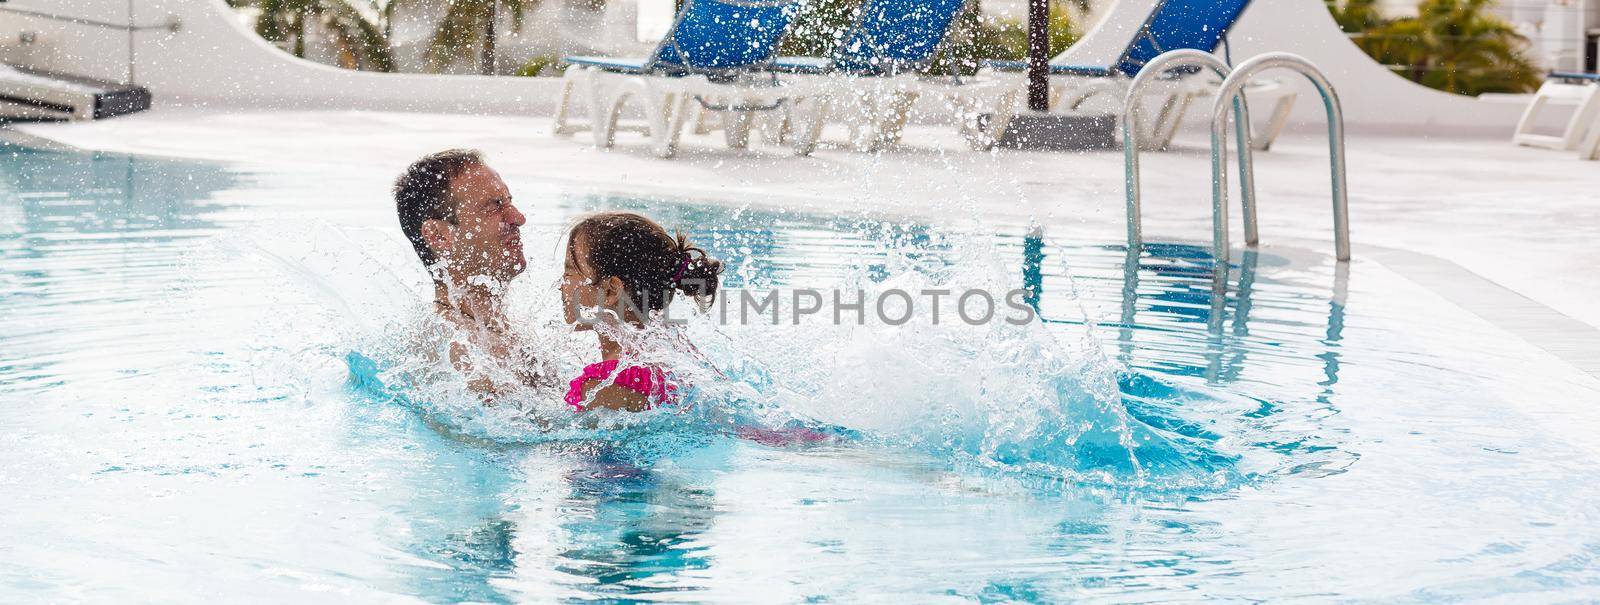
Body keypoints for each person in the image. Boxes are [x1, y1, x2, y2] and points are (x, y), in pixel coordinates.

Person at [394, 149, 549, 395]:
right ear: (439, 235)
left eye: (509, 201)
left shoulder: (499, 330)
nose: (518, 218)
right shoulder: (455, 349)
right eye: (493, 207)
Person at [558, 211, 723, 412]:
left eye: (569, 273)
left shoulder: (606, 387)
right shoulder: (667, 346)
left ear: (611, 290)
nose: (561, 284)